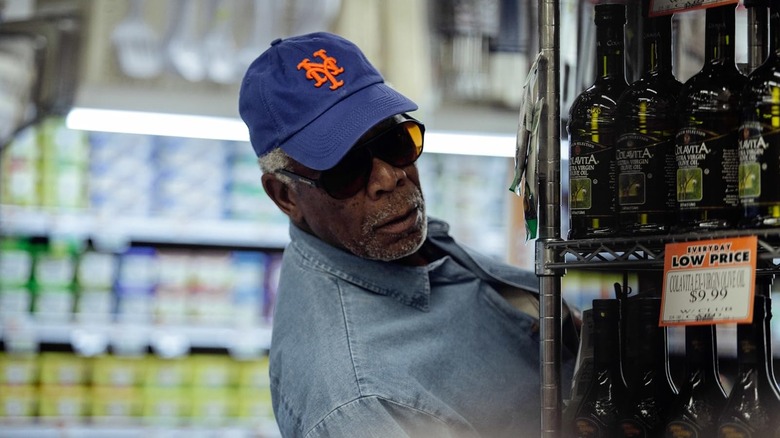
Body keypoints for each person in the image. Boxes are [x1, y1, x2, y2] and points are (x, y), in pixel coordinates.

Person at [239, 31, 577, 438]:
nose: (389, 177)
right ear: (284, 196)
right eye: (345, 169)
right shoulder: (355, 403)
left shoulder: (384, 242)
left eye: (395, 141)